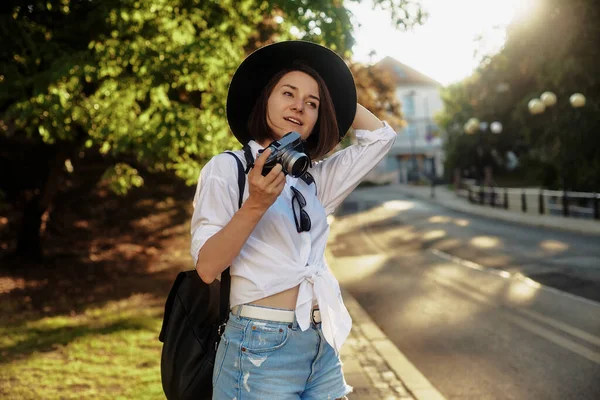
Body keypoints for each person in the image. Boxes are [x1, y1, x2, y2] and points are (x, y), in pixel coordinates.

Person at [190, 40, 397, 400]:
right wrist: (255, 204)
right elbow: (207, 267)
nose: (299, 106)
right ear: (264, 98)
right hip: (258, 350)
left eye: (312, 103)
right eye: (288, 93)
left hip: (320, 343)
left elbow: (379, 138)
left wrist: (336, 92)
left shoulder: (313, 180)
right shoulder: (228, 169)